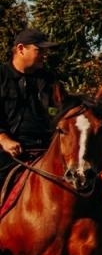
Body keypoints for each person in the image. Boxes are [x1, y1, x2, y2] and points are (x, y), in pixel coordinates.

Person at [0, 27, 64, 168]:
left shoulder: (49, 80)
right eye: (39, 50)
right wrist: (4, 139)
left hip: (46, 149)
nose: (44, 55)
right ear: (21, 49)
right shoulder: (2, 75)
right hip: (7, 152)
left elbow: (60, 112)